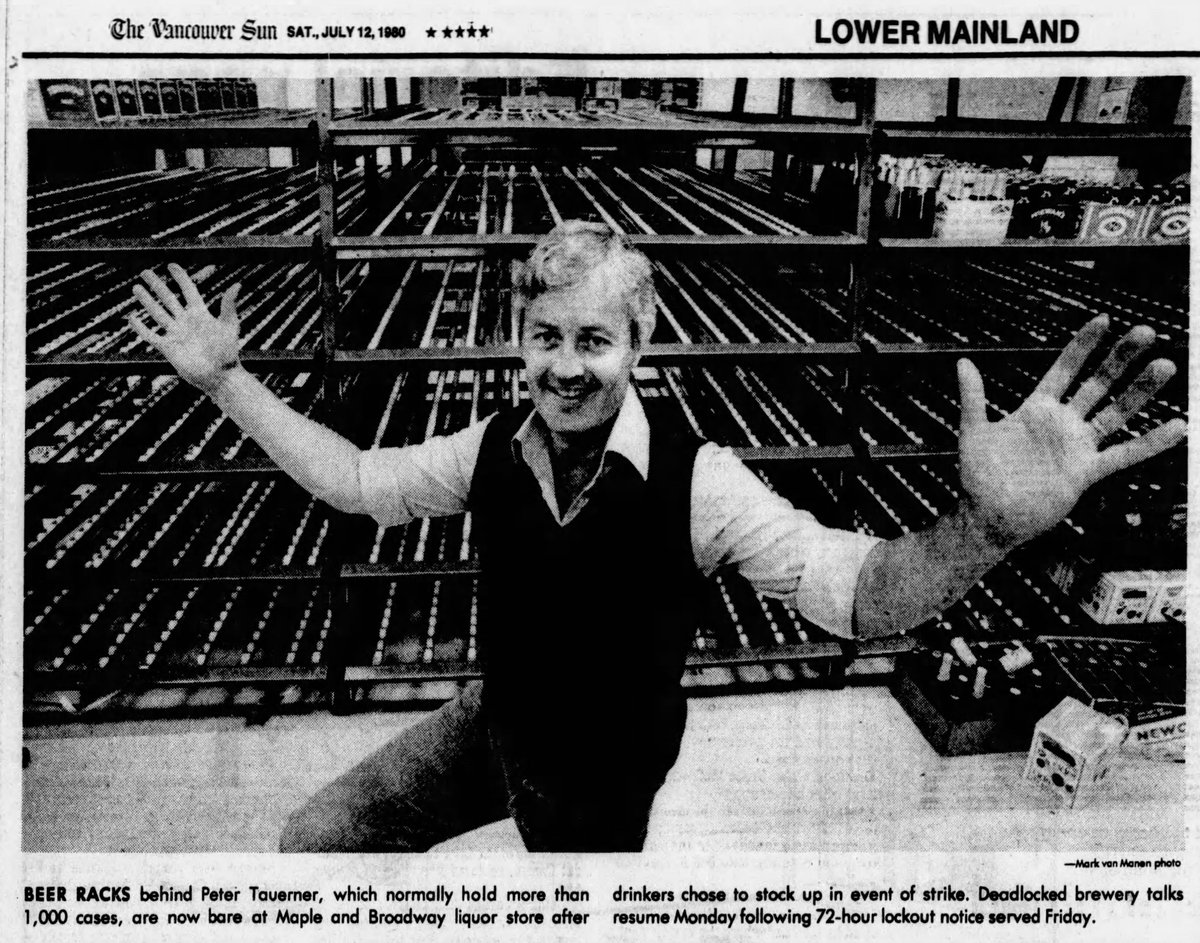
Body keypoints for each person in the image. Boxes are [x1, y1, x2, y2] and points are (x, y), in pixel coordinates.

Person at [129, 221, 1185, 852]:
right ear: (518, 341)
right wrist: (228, 382)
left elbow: (858, 592)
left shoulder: (700, 483)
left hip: (600, 771)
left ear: (641, 341)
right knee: (316, 839)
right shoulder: (490, 444)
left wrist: (985, 530)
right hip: (494, 719)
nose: (567, 366)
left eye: (595, 338)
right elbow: (358, 481)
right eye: (546, 338)